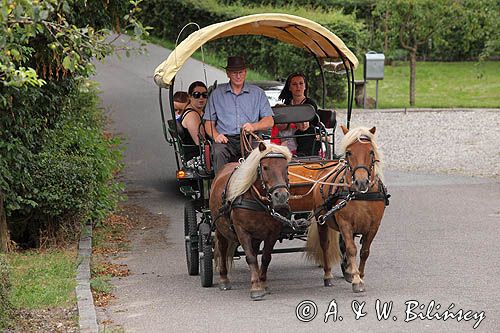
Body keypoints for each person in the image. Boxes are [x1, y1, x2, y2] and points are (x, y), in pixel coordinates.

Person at [204, 56, 274, 173]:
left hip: (249, 138)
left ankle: (258, 188)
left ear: (245, 72)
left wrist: (253, 126)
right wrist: (216, 136)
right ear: (228, 74)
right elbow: (208, 123)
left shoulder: (258, 93)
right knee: (218, 152)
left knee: (260, 152)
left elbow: (269, 121)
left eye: (241, 72)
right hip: (226, 140)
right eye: (234, 72)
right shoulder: (216, 94)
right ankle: (222, 188)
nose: (238, 76)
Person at [275, 73, 320, 156]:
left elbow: (311, 124)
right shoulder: (287, 103)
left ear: (305, 86)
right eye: (294, 84)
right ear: (289, 88)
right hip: (288, 134)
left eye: (301, 84)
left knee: (307, 131)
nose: (298, 87)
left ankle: (302, 155)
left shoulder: (309, 104)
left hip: (305, 135)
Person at [179, 81, 208, 160]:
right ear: (190, 96)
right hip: (197, 157)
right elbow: (201, 143)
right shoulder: (192, 115)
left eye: (204, 95)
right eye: (197, 95)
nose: (201, 98)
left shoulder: (200, 111)